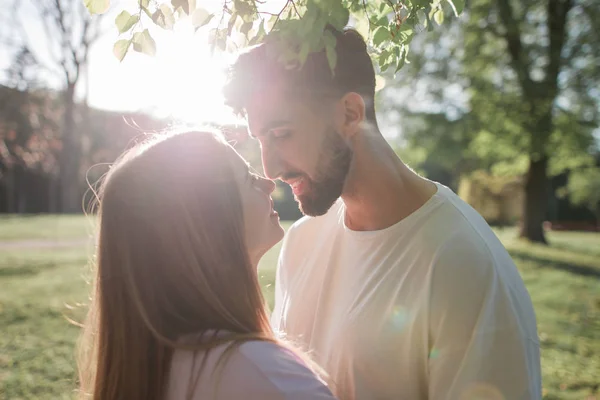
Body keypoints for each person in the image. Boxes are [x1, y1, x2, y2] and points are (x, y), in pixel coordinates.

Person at [223, 26, 542, 400]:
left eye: (281, 134)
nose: (270, 167)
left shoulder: (465, 264)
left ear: (350, 113)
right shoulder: (301, 241)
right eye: (260, 140)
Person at [76, 130, 337, 400]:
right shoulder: (264, 374)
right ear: (210, 224)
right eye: (248, 178)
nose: (268, 183)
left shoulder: (149, 367)